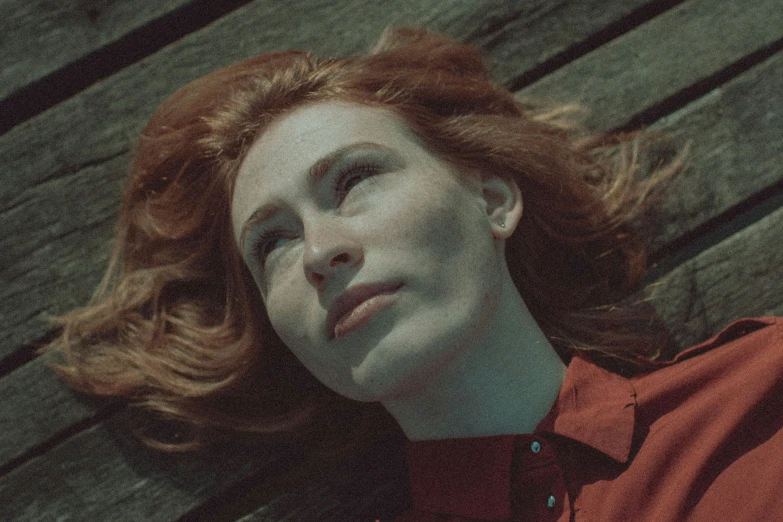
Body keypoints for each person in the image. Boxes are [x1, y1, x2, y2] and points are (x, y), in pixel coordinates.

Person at [48, 27, 783, 521]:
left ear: (491, 199)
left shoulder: (763, 388)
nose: (316, 251)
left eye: (353, 179)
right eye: (271, 242)